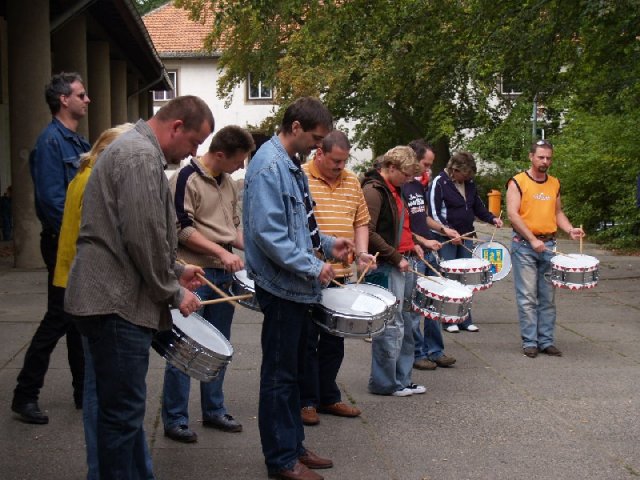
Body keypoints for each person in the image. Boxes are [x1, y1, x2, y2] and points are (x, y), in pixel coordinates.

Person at [64, 95, 213, 479]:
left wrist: (175, 268)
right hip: (115, 305)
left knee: (120, 414)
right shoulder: (139, 157)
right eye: (194, 143)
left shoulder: (137, 152)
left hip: (113, 302)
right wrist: (174, 291)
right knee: (121, 418)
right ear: (176, 126)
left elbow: (135, 234)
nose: (194, 153)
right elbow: (143, 238)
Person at [243, 97, 354, 480]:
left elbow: (297, 226)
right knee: (278, 376)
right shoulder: (269, 165)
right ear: (295, 128)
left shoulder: (289, 164)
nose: (318, 147)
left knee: (290, 374)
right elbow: (268, 234)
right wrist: (314, 265)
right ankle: (281, 460)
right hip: (281, 289)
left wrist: (327, 242)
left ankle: (292, 446)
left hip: (297, 288)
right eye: (316, 138)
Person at [52, 123, 139, 480]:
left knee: (95, 387)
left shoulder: (82, 177)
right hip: (93, 290)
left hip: (75, 283)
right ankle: (100, 469)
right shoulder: (94, 182)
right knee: (102, 394)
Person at [162, 125, 255, 443]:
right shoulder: (185, 178)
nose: (240, 167)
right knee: (185, 348)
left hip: (223, 274)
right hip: (193, 274)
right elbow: (181, 230)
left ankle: (214, 410)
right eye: (238, 161)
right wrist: (219, 252)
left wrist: (255, 253)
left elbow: (233, 229)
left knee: (218, 346)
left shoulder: (228, 182)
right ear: (219, 154)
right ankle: (175, 417)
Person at [11, 72, 91, 424]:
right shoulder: (50, 143)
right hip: (62, 243)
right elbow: (52, 202)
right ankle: (24, 395)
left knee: (77, 320)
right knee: (58, 317)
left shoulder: (77, 142)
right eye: (82, 95)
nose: (87, 100)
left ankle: (82, 391)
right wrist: (80, 238)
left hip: (74, 241)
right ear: (64, 100)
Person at [299, 130, 376, 426]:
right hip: (309, 275)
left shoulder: (353, 181)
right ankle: (305, 400)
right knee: (306, 341)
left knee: (334, 340)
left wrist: (363, 253)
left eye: (344, 161)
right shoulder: (301, 177)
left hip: (341, 275)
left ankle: (328, 396)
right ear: (319, 153)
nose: (339, 167)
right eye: (335, 161)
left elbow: (361, 222)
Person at [506, 139, 585, 358]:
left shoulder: (554, 183)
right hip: (524, 247)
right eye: (541, 157)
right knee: (528, 296)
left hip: (549, 246)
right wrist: (532, 239)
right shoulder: (517, 182)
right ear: (531, 157)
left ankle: (546, 340)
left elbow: (557, 212)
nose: (545, 161)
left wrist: (570, 229)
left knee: (548, 297)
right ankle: (530, 341)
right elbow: (513, 215)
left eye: (548, 158)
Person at [361, 145, 427, 397]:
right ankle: (384, 383)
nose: (409, 180)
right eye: (406, 175)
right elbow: (370, 231)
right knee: (391, 326)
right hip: (390, 266)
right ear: (390, 168)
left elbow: (402, 228)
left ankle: (402, 378)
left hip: (404, 260)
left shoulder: (395, 190)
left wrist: (414, 246)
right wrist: (396, 256)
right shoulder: (374, 191)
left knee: (407, 324)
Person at [428, 151, 503, 333]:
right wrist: (447, 231)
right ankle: (448, 318)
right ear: (454, 170)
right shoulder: (439, 182)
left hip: (467, 235)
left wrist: (492, 219)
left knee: (467, 278)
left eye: (470, 175)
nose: (468, 177)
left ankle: (465, 317)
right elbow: (433, 212)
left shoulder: (469, 184)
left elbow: (477, 206)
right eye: (465, 174)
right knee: (449, 277)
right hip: (446, 238)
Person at [403, 140, 455, 371]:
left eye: (431, 165)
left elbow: (422, 216)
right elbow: (402, 225)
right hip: (414, 253)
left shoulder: (420, 186)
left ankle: (436, 351)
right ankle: (417, 353)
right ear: (413, 159)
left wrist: (443, 230)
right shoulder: (402, 185)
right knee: (415, 308)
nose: (428, 170)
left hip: (429, 251)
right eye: (426, 164)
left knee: (434, 304)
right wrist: (421, 241)